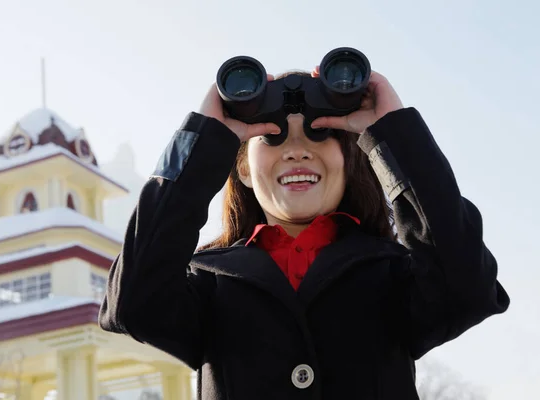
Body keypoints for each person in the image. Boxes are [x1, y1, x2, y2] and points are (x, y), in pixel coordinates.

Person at [98, 64, 510, 399]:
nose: (297, 149)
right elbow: (133, 302)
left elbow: (467, 288)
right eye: (273, 135)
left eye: (320, 132)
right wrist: (202, 138)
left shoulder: (394, 273)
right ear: (241, 166)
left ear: (352, 160)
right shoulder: (209, 283)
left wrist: (395, 132)